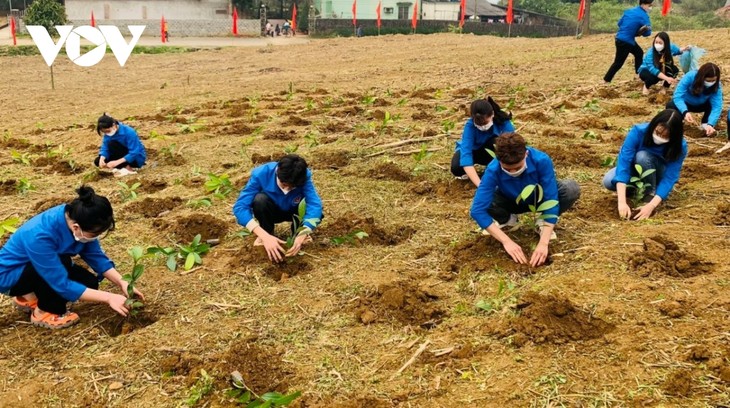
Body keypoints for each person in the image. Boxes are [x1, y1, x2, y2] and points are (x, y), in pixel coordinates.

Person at [0, 186, 144, 329]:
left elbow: (97, 257)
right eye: (94, 235)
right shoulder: (40, 236)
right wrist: (109, 297)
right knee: (61, 266)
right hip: (9, 277)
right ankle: (43, 311)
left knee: (89, 283)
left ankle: (29, 297)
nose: (96, 238)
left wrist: (122, 282)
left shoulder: (77, 216)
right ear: (76, 227)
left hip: (36, 266)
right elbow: (61, 283)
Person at [470, 133, 580, 267]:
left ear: (526, 154)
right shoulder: (493, 169)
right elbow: (477, 210)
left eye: (517, 167)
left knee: (570, 189)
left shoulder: (541, 160)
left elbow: (551, 199)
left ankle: (542, 222)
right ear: (499, 161)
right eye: (507, 169)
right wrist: (507, 242)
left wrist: (543, 243)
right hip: (510, 201)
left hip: (537, 200)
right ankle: (508, 220)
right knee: (487, 197)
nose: (513, 171)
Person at [233, 154, 323, 263]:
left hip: (294, 210)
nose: (287, 189)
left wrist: (303, 233)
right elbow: (240, 207)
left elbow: (314, 205)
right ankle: (267, 234)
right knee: (260, 200)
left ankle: (297, 233)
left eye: (292, 187)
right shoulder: (261, 174)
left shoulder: (303, 176)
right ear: (277, 172)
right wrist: (264, 235)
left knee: (309, 208)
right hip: (271, 211)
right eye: (284, 184)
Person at [602, 109, 686, 221]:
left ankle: (650, 193)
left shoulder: (680, 146)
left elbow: (670, 177)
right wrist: (621, 202)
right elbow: (624, 162)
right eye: (657, 132)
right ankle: (637, 190)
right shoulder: (638, 132)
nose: (659, 137)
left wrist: (651, 206)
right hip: (637, 169)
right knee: (608, 181)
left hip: (658, 173)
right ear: (653, 125)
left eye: (665, 136)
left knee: (642, 156)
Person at [451, 97, 515, 187]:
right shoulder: (470, 126)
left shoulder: (503, 122)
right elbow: (466, 154)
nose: (483, 126)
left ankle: (494, 169)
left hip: (496, 152)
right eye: (479, 124)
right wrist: (480, 185)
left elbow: (512, 148)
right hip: (476, 152)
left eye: (485, 123)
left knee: (498, 142)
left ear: (492, 114)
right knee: (456, 168)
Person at [666, 62, 723, 137]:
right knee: (671, 105)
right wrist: (684, 111)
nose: (711, 83)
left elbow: (717, 106)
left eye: (713, 80)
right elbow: (678, 96)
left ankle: (706, 124)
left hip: (703, 105)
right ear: (702, 77)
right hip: (686, 103)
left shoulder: (717, 85)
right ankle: (678, 122)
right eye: (708, 80)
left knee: (712, 105)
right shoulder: (690, 76)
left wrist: (711, 123)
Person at [604, 0, 653, 83]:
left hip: (620, 38)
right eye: (650, 5)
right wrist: (640, 30)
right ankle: (605, 80)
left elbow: (619, 23)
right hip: (626, 42)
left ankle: (638, 75)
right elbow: (647, 33)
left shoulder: (629, 11)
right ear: (644, 4)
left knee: (639, 53)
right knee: (618, 63)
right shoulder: (644, 16)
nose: (650, 7)